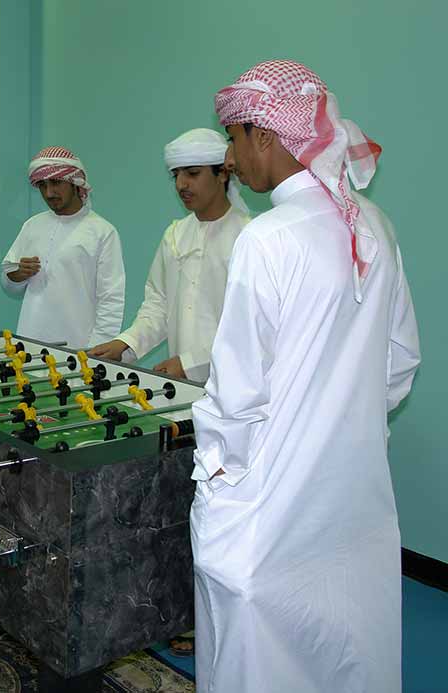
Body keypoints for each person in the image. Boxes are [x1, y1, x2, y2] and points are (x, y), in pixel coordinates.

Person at [190, 60, 420, 693]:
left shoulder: (268, 237)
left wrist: (216, 482)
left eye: (233, 139)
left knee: (259, 657)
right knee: (347, 644)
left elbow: (235, 396)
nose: (231, 159)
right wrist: (342, 424)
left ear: (265, 136)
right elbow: (400, 360)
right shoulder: (377, 226)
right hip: (351, 500)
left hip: (271, 505)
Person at [89, 129, 250, 382]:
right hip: (180, 385)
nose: (180, 185)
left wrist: (191, 364)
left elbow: (249, 327)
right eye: (175, 175)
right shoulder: (175, 236)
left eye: (192, 174)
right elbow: (158, 306)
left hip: (236, 387)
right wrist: (125, 344)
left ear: (222, 173)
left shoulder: (249, 238)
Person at [2, 146, 125, 348]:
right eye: (42, 185)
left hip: (78, 352)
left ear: (76, 183)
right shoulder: (32, 226)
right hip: (29, 347)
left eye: (56, 183)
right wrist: (17, 275)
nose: (49, 193)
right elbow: (9, 283)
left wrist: (97, 351)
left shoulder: (102, 232)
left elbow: (111, 300)